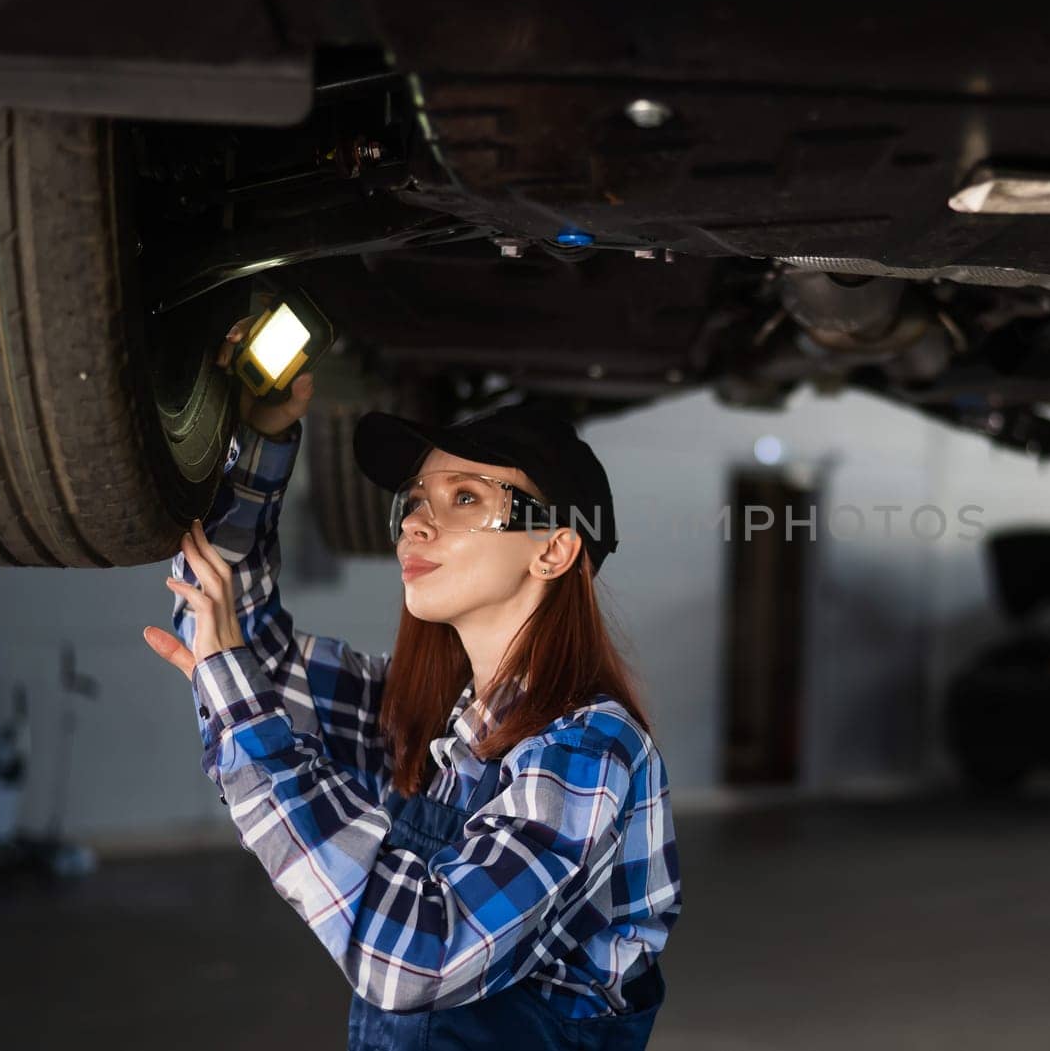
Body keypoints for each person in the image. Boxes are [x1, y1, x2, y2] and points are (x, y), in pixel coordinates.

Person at [141, 313, 682, 1051]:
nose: (414, 525)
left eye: (464, 497)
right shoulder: (435, 724)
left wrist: (248, 721)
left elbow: (418, 955)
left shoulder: (589, 751)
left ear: (554, 548)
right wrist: (262, 440)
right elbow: (234, 640)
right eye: (417, 500)